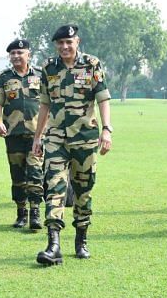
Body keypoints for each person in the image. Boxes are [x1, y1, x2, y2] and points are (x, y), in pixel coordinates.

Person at [32, 25, 113, 265]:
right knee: (54, 186)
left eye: (69, 42)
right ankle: (53, 243)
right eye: (60, 43)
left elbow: (103, 98)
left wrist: (107, 129)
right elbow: (44, 104)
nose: (65, 47)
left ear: (77, 41)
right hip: (56, 137)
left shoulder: (91, 64)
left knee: (83, 189)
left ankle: (81, 238)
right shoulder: (48, 68)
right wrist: (38, 137)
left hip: (85, 137)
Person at [0, 39, 44, 230]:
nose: (16, 56)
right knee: (18, 176)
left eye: (19, 53)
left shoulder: (40, 75)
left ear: (28, 54)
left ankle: (35, 212)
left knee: (36, 173)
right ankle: (22, 213)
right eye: (12, 53)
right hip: (13, 134)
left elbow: (50, 102)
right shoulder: (4, 77)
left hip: (36, 134)